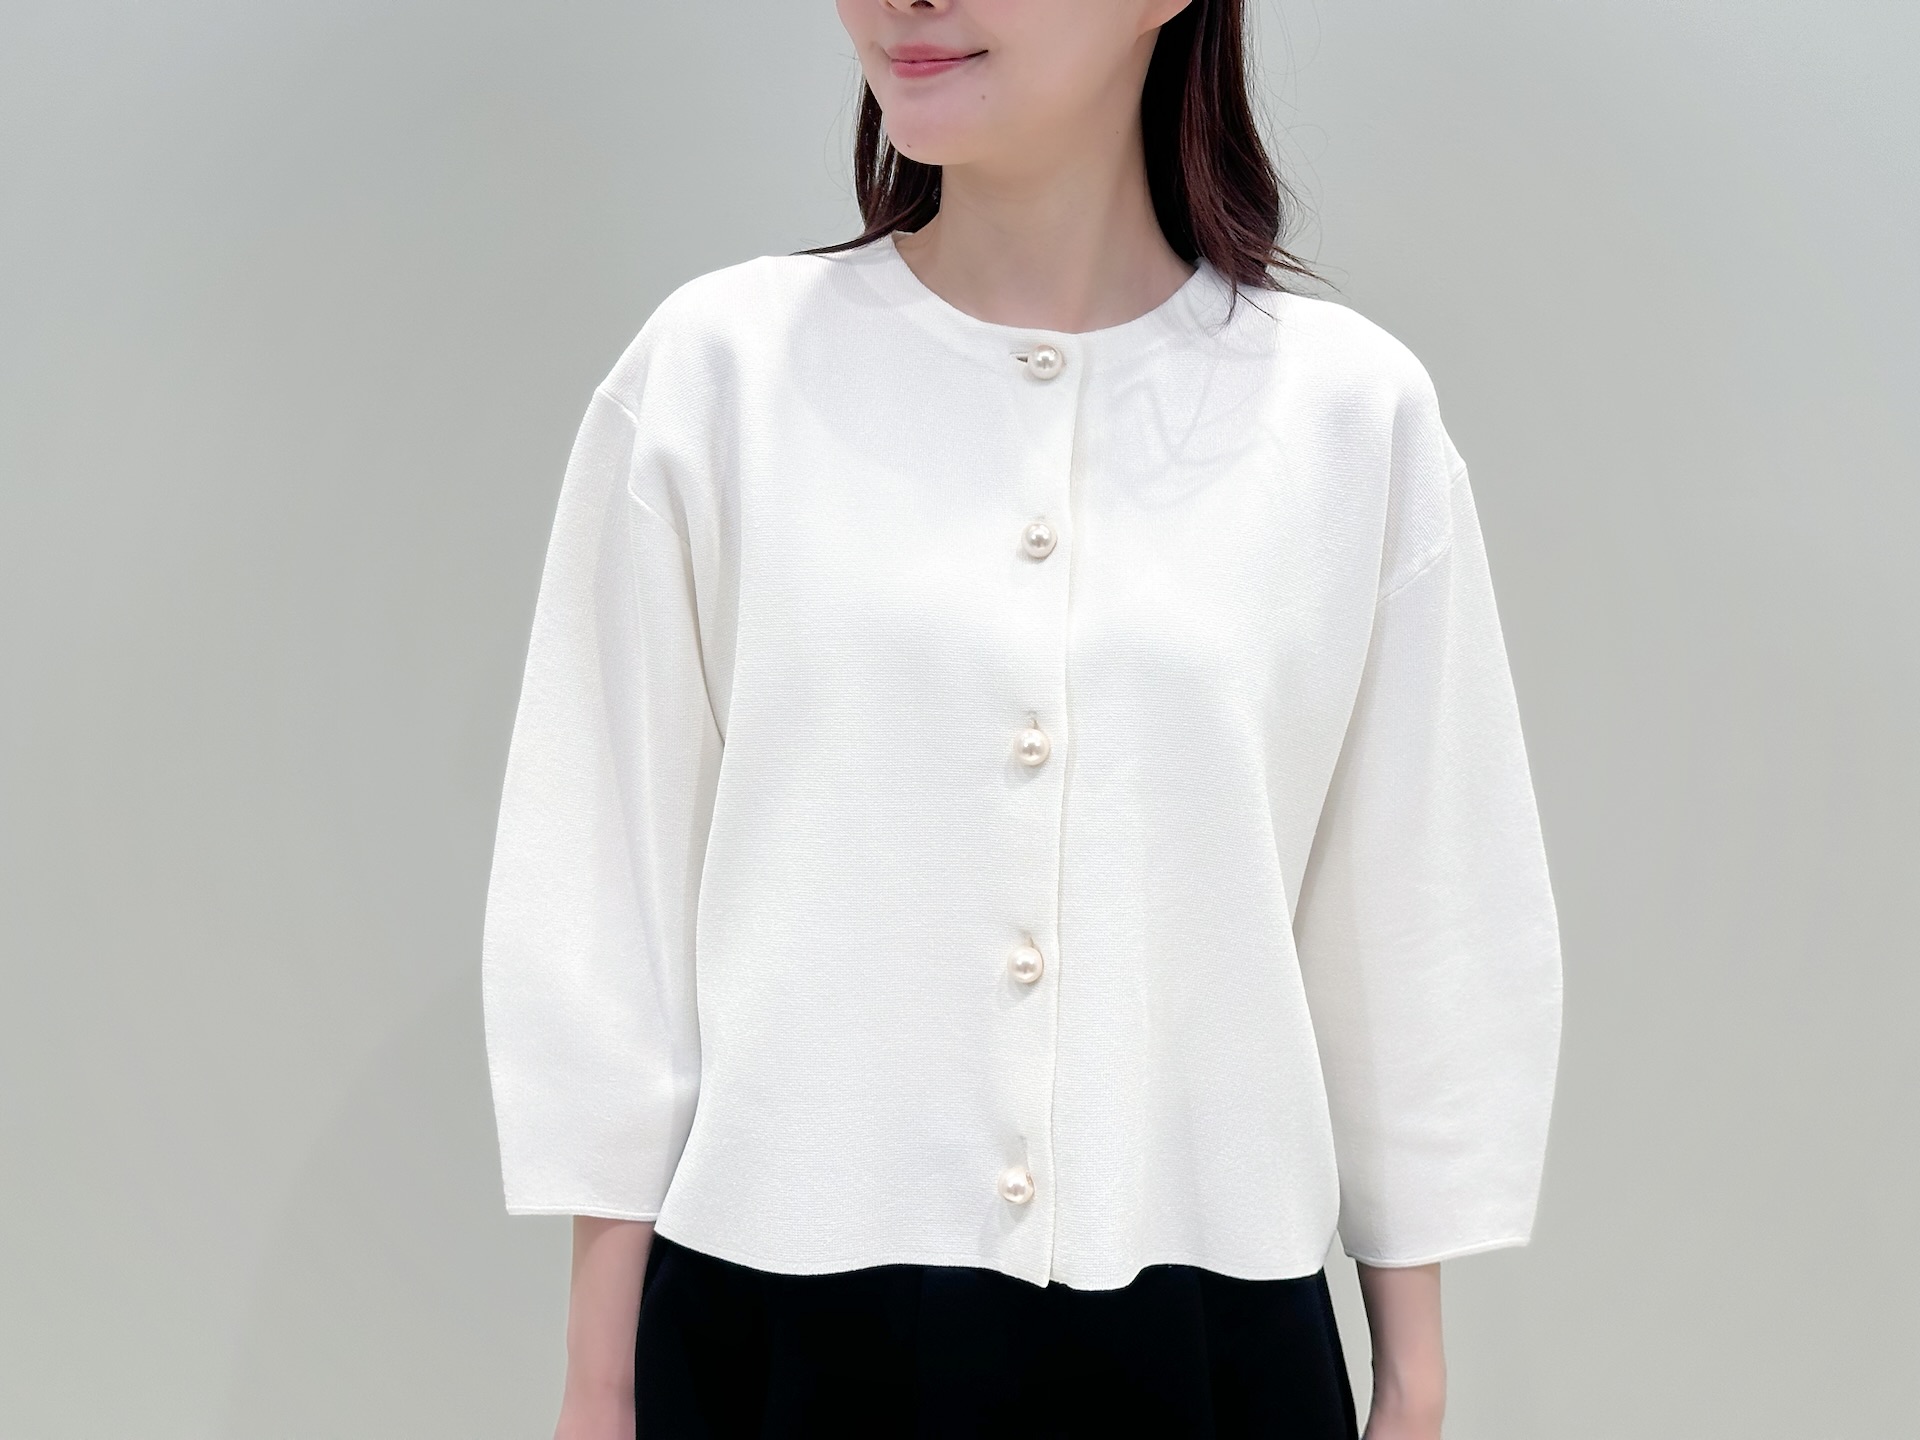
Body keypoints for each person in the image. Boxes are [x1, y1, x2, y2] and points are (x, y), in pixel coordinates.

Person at [480, 1, 1565, 1436]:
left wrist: (1413, 1383)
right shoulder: (718, 376)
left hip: (1208, 1340)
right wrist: (597, 1382)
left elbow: (1409, 912)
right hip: (778, 1336)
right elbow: (607, 900)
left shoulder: (1347, 418)